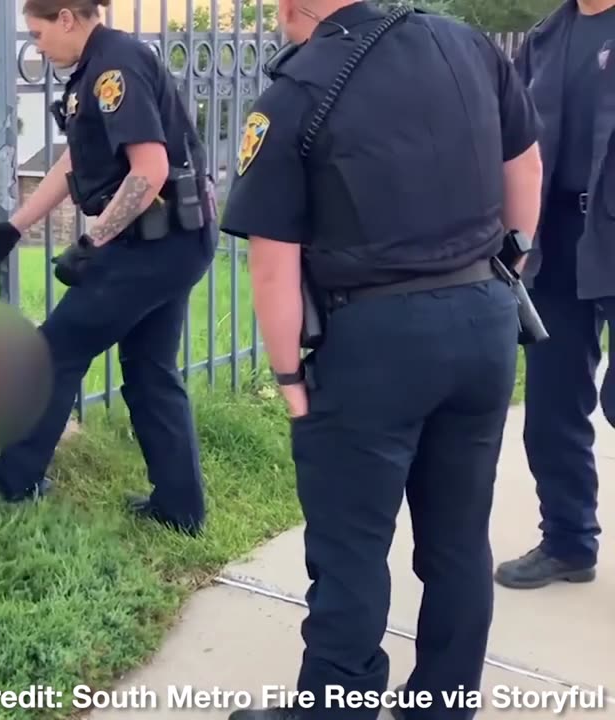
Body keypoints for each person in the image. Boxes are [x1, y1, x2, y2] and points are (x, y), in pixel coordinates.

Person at [216, 1, 543, 718]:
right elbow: (524, 161)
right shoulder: (467, 43)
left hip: (373, 340)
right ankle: (445, 702)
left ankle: (339, 705)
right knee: (458, 538)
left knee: (350, 548)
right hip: (484, 318)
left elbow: (272, 266)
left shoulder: (295, 91)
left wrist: (287, 376)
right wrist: (512, 258)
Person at [0, 0, 218, 535]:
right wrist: (17, 224)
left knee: (54, 352)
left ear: (66, 17)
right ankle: (180, 509)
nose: (36, 47)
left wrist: (92, 241)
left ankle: (12, 487)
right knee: (151, 372)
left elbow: (149, 169)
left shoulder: (114, 68)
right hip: (173, 240)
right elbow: (77, 158)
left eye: (37, 33)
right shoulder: (96, 66)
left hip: (151, 246)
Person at [494, 0, 615, 591]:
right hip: (559, 239)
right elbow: (510, 136)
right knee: (551, 404)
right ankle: (568, 541)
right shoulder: (546, 37)